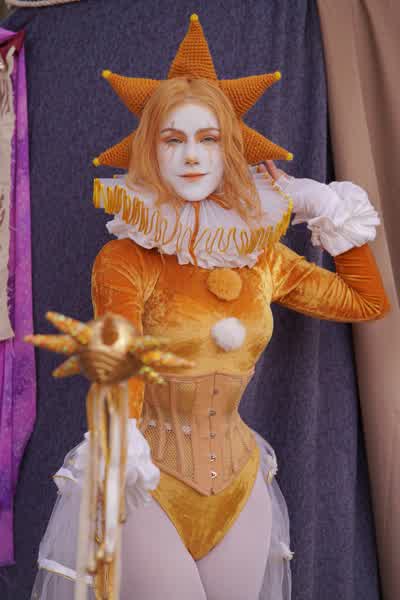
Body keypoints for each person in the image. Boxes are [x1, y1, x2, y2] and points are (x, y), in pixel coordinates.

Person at [30, 15, 390, 600]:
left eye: (210, 139)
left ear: (231, 148)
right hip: (146, 481)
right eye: (174, 140)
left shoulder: (259, 256)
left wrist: (321, 204)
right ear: (151, 151)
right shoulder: (127, 258)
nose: (192, 157)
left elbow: (364, 301)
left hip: (240, 485)